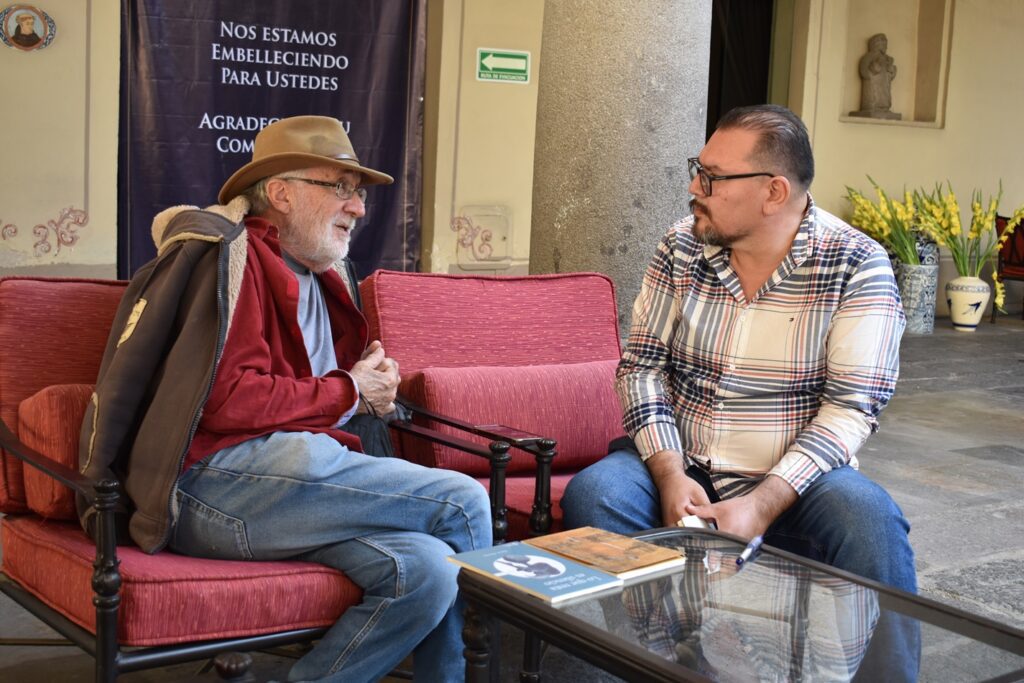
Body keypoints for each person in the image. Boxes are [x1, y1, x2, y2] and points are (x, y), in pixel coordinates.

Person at [78, 115, 492, 682]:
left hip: (293, 488)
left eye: (359, 192)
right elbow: (229, 401)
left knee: (427, 571)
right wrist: (349, 390)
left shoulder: (328, 275)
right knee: (464, 502)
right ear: (281, 193)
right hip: (213, 489)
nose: (359, 207)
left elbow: (326, 397)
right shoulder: (237, 260)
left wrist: (369, 391)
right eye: (340, 188)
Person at [560, 104, 918, 680]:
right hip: (685, 459)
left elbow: (853, 406)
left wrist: (761, 502)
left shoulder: (857, 263)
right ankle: (668, 666)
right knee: (598, 495)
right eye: (696, 170)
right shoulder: (680, 247)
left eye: (712, 178)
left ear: (774, 192)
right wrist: (671, 475)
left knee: (870, 522)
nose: (692, 189)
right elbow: (642, 368)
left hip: (797, 479)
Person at [851, 33, 900, 119]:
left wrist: (892, 71)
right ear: (876, 44)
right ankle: (872, 107)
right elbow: (864, 72)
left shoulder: (888, 59)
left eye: (886, 44)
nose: (885, 46)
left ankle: (884, 108)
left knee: (885, 98)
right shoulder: (868, 57)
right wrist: (873, 69)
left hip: (884, 87)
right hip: (872, 89)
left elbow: (891, 76)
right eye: (883, 44)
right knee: (872, 98)